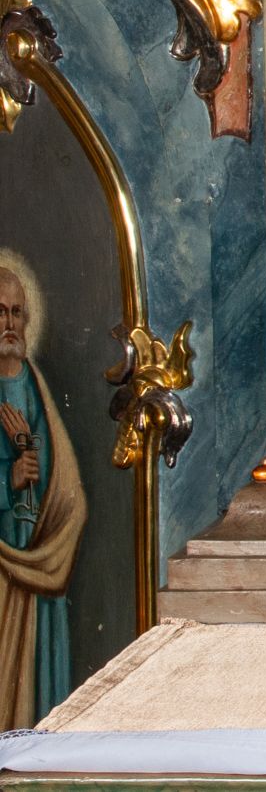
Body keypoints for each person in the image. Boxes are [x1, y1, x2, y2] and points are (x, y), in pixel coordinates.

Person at [0, 252, 79, 730]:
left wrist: (33, 461)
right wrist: (7, 481)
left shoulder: (37, 389)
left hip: (36, 557)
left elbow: (64, 482)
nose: (9, 323)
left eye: (16, 312)